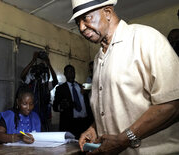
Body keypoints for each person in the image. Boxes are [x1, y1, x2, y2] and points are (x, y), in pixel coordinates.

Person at [68, 0, 179, 154]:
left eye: (86, 18)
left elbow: (172, 104)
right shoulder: (99, 57)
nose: (81, 27)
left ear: (107, 12)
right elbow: (113, 106)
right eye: (77, 22)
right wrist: (94, 128)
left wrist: (124, 139)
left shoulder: (146, 38)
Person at [53, 65, 93, 139]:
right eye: (68, 71)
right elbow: (55, 107)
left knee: (86, 146)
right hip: (70, 124)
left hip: (85, 122)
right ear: (64, 74)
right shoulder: (60, 89)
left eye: (72, 71)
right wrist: (61, 106)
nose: (71, 73)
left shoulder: (82, 87)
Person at [20, 51, 58, 131]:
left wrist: (49, 65)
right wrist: (33, 61)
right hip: (31, 114)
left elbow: (55, 81)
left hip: (44, 116)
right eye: (37, 68)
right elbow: (22, 75)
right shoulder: (30, 82)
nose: (39, 70)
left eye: (41, 69)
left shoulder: (45, 85)